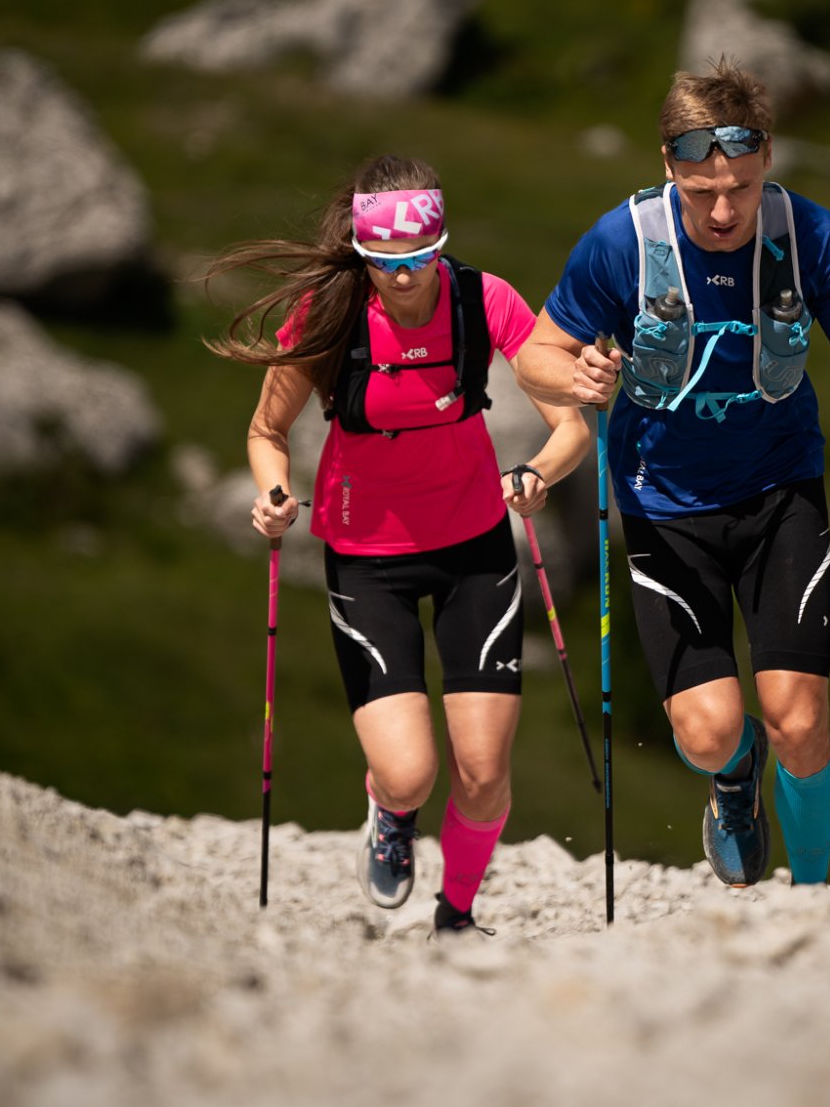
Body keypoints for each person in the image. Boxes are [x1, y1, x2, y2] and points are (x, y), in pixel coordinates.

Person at [514, 59, 830, 888]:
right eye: (702, 188)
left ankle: (812, 899)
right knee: (709, 732)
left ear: (767, 157)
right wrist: (576, 381)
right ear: (667, 163)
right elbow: (535, 353)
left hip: (780, 494)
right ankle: (733, 778)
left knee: (800, 720)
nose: (722, 210)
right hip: (663, 508)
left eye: (740, 186)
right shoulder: (621, 243)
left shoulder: (808, 235)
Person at [204, 154, 590, 937]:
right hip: (366, 555)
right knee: (411, 772)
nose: (405, 277)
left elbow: (571, 426)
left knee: (482, 774)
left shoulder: (485, 300)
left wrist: (538, 473)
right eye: (387, 262)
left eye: (420, 258)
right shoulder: (329, 312)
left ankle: (455, 917)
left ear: (440, 244)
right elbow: (266, 430)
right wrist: (273, 493)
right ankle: (389, 811)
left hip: (477, 543)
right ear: (361, 251)